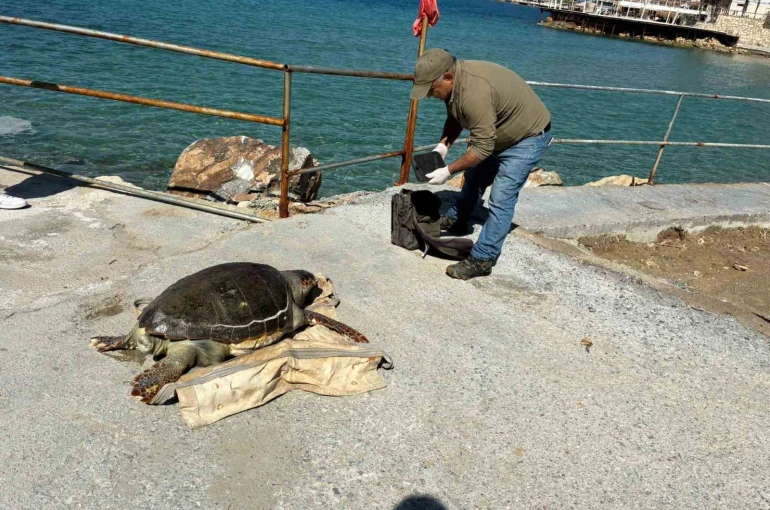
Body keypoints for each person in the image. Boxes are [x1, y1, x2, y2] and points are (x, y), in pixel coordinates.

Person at [410, 48, 552, 280]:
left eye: (430, 89)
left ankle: (483, 258)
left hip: (527, 138)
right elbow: (456, 115)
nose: (428, 95)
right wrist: (443, 146)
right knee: (475, 177)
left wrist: (448, 171)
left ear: (447, 77)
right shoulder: (455, 85)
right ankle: (459, 219)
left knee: (501, 198)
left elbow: (483, 147)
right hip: (497, 134)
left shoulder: (474, 92)